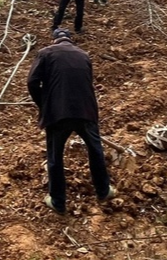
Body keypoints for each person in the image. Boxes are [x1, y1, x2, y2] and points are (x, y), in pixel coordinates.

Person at [27, 29, 115, 215]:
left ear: (54, 40)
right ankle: (104, 191)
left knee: (55, 157)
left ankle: (58, 201)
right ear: (69, 40)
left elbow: (32, 82)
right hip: (86, 110)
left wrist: (44, 104)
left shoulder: (46, 53)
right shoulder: (84, 55)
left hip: (58, 113)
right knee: (95, 150)